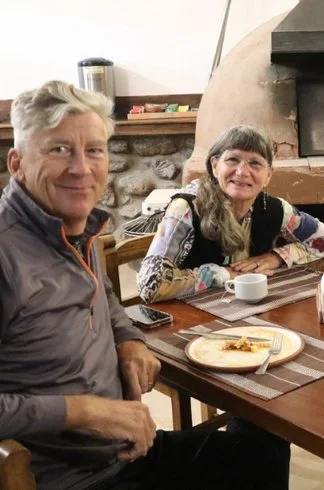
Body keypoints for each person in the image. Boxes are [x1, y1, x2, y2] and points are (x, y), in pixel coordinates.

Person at [0, 81, 289, 490]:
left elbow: (106, 298)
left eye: (94, 150)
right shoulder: (7, 254)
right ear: (17, 163)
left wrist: (128, 341)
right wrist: (85, 411)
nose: (81, 168)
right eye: (59, 149)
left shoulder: (74, 229)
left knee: (265, 439)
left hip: (123, 453)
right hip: (71, 479)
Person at [136, 125, 324, 303]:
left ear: (268, 175)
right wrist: (221, 274)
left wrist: (277, 257)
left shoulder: (273, 208)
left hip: (246, 310)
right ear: (215, 166)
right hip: (189, 318)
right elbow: (150, 285)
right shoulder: (186, 209)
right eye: (232, 160)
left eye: (255, 163)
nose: (242, 172)